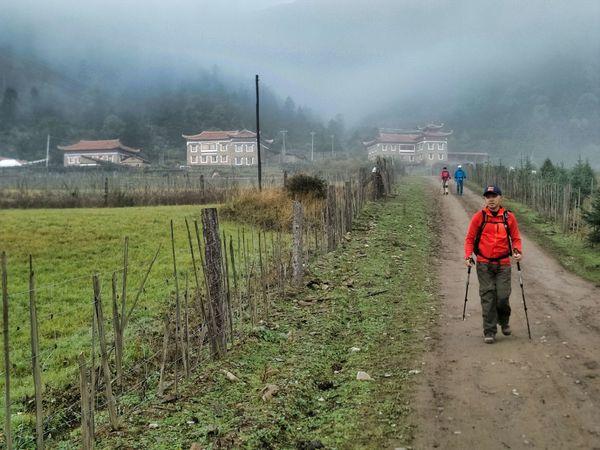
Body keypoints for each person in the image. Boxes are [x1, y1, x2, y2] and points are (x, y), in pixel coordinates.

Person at [464, 185, 523, 344]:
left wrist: (517, 250)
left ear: (500, 198)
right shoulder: (479, 217)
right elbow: (470, 239)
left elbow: (516, 238)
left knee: (503, 297)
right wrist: (468, 256)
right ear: (485, 199)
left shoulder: (509, 217)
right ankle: (489, 330)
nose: (491, 199)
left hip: (503, 263)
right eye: (488, 196)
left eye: (494, 195)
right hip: (484, 263)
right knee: (488, 297)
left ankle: (504, 321)